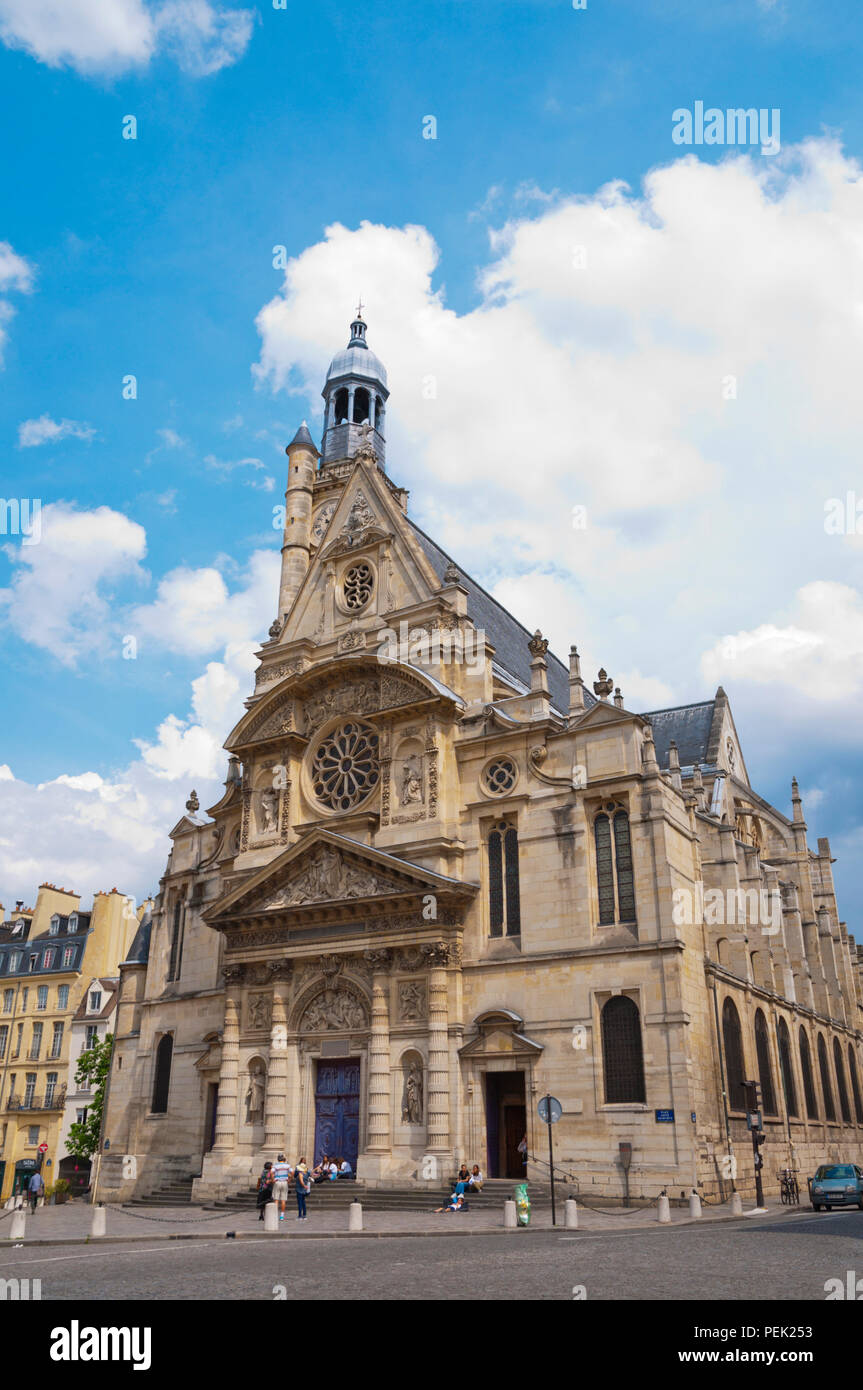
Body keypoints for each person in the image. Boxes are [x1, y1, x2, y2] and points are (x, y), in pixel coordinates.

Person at [271, 1153, 292, 1222]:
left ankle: (275, 1215)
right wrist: (289, 1179)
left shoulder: (275, 1166)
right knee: (283, 1200)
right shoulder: (287, 1165)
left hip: (277, 1182)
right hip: (284, 1182)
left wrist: (272, 1180)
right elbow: (292, 1172)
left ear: (278, 1159)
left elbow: (271, 1172)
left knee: (276, 1199)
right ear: (283, 1159)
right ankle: (282, 1216)